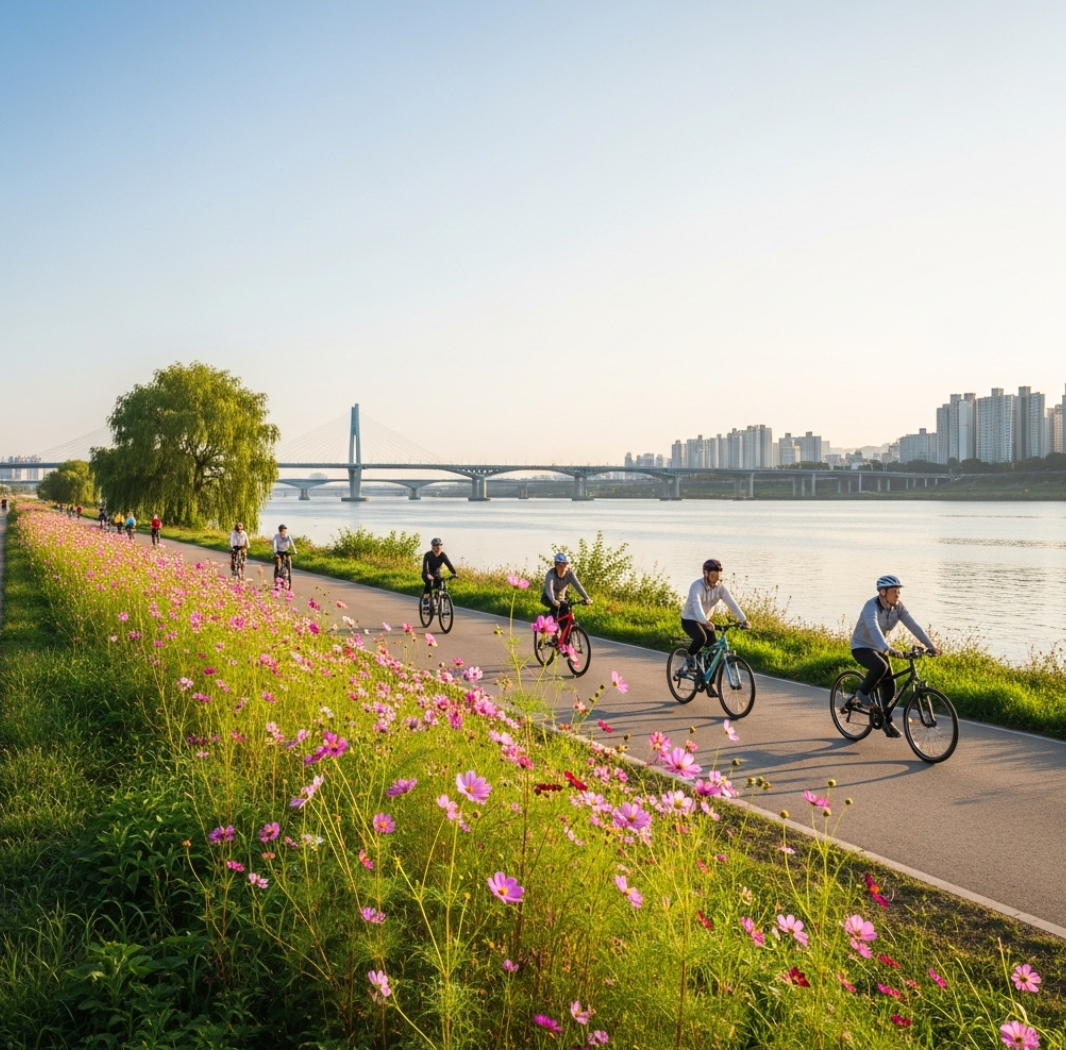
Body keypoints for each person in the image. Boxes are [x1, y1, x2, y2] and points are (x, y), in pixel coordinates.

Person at [850, 575, 941, 738]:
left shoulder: (897, 607)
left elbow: (913, 625)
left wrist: (930, 645)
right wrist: (887, 649)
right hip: (861, 646)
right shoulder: (870, 607)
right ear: (883, 592)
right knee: (881, 666)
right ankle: (862, 694)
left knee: (890, 685)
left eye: (899, 591)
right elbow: (873, 628)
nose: (898, 594)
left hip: (879, 648)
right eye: (894, 591)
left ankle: (884, 720)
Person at [680, 559, 749, 668]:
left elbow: (732, 604)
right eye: (713, 576)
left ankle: (708, 682)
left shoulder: (720, 588)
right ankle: (690, 657)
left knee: (715, 653)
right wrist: (705, 621)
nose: (715, 581)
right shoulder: (696, 586)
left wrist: (743, 620)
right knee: (701, 638)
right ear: (706, 574)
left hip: (704, 621)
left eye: (717, 577)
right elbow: (696, 605)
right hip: (689, 619)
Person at [542, 552, 592, 620]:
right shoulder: (551, 574)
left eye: (565, 564)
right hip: (548, 597)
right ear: (556, 565)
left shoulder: (570, 573)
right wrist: (553, 600)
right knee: (557, 609)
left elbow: (578, 586)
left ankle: (566, 628)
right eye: (559, 564)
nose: (563, 567)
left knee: (566, 610)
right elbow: (549, 589)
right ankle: (550, 623)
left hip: (561, 598)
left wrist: (587, 598)